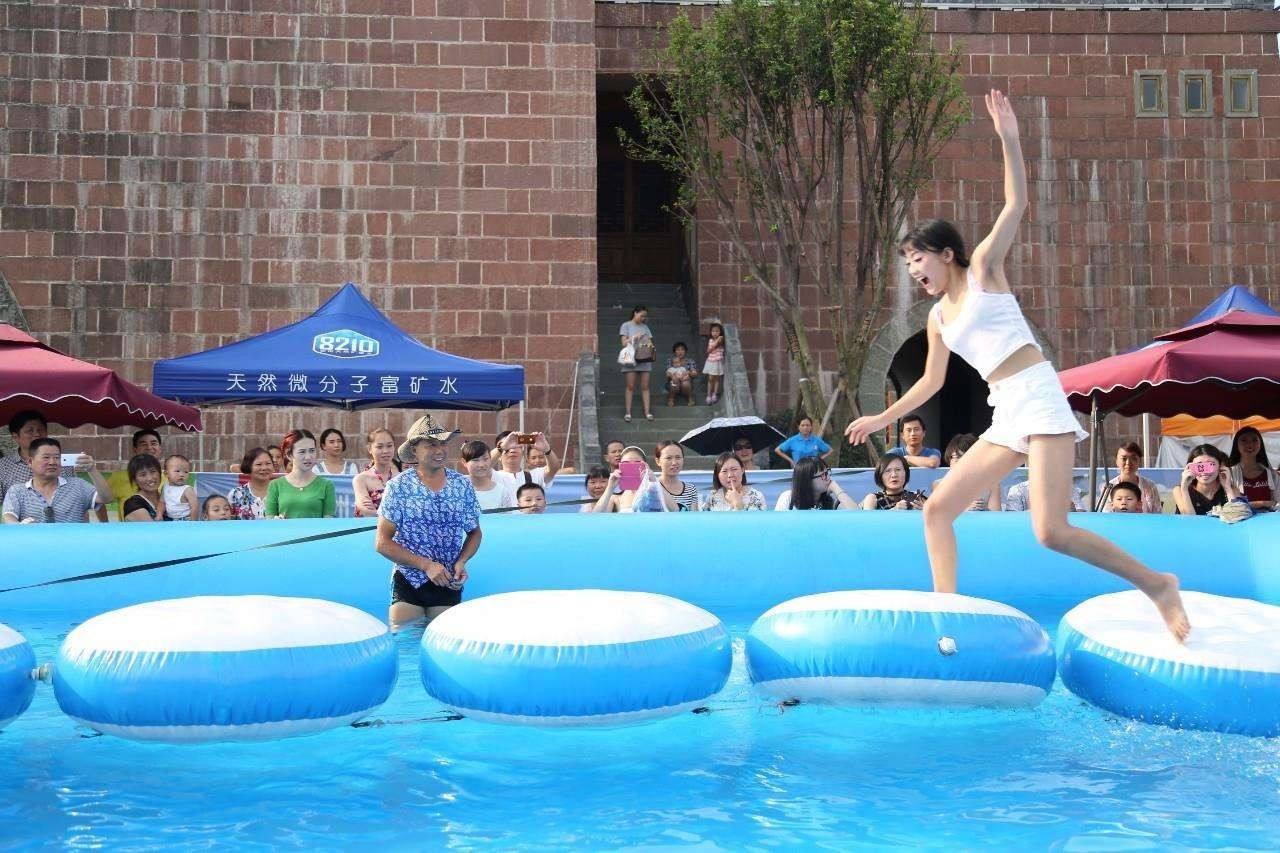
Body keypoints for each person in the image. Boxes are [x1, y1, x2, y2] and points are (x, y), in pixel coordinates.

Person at [843, 90, 1189, 641]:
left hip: (1037, 394)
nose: (913, 270)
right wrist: (881, 419)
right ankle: (948, 614)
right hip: (1004, 409)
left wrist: (1009, 139)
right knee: (937, 510)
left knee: (1050, 531)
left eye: (918, 258)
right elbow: (931, 381)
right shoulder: (937, 317)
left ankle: (1157, 585)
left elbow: (1016, 205)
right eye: (907, 264)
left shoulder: (983, 270)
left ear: (946, 253)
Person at [375, 414, 481, 630]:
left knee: (444, 640)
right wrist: (426, 565)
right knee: (405, 641)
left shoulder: (462, 485)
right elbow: (382, 543)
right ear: (414, 450)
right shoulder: (398, 487)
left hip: (447, 580)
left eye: (443, 444)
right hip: (409, 580)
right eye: (431, 445)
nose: (439, 450)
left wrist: (462, 561)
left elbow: (474, 532)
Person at [2, 437, 110, 523]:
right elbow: (9, 516)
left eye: (57, 457)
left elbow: (106, 498)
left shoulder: (78, 485)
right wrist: (21, 527)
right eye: (46, 457)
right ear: (30, 462)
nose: (52, 462)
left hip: (73, 542)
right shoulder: (17, 491)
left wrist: (92, 470)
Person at [264, 430, 336, 519]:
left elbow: (329, 521)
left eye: (312, 451)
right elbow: (269, 519)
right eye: (302, 452)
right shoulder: (275, 485)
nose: (308, 457)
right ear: (289, 455)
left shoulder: (326, 485)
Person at [0, 410, 67, 503]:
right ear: (16, 436)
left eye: (40, 430)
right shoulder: (3, 466)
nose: (37, 434)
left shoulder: (62, 462)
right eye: (30, 431)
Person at [106, 429, 163, 519]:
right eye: (143, 444)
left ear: (160, 448)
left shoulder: (171, 477)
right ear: (135, 449)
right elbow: (99, 500)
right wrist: (104, 523)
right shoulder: (118, 477)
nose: (149, 447)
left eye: (153, 443)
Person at [1172, 444, 1238, 516]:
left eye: (1210, 465)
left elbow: (1236, 516)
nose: (1205, 472)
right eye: (1199, 466)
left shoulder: (1233, 490)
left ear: (1220, 467)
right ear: (1190, 468)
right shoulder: (1179, 490)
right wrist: (1184, 487)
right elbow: (1190, 520)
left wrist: (1228, 488)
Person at [1099, 442, 1163, 514]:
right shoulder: (1109, 488)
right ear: (1117, 461)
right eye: (1124, 458)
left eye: (1134, 458)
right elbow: (1105, 515)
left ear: (1139, 461)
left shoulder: (1150, 486)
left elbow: (1157, 514)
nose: (1128, 463)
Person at [943, 433, 1001, 511]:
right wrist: (965, 509)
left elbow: (996, 515)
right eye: (954, 457)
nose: (957, 462)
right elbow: (940, 513)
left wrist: (983, 509)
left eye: (962, 458)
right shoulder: (940, 484)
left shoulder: (992, 485)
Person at [1226, 426, 1278, 512]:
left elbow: (1277, 502)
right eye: (1244, 440)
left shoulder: (1272, 475)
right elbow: (1235, 505)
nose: (1250, 444)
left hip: (1269, 519)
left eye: (1254, 440)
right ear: (1236, 445)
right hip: (1243, 519)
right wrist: (1263, 503)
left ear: (1260, 444)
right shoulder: (1230, 474)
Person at [590, 446, 656, 513]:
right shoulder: (617, 498)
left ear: (645, 465)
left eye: (637, 463)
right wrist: (610, 488)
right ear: (620, 466)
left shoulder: (654, 491)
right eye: (626, 464)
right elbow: (596, 516)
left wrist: (653, 483)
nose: (631, 468)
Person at [775, 457, 856, 510]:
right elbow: (778, 526)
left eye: (827, 472)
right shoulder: (788, 498)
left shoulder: (831, 502)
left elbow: (857, 516)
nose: (828, 477)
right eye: (823, 475)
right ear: (807, 480)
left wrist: (836, 489)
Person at [353, 428, 401, 518]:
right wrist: (394, 515)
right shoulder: (361, 479)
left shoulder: (401, 477)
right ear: (369, 449)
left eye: (389, 446)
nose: (385, 451)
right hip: (368, 525)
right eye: (379, 447)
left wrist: (376, 511)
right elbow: (365, 510)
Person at [620, 305, 655, 422]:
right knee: (630, 386)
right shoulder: (626, 325)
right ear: (635, 313)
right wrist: (634, 337)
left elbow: (650, 342)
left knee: (645, 386)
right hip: (630, 358)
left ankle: (647, 412)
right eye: (642, 315)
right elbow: (623, 343)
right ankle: (628, 413)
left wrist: (649, 345)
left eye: (645, 316)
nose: (643, 318)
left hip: (644, 357)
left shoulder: (645, 327)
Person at [459, 440, 516, 513]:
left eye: (485, 459)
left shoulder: (502, 492)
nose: (481, 465)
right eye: (475, 460)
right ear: (464, 462)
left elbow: (506, 519)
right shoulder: (456, 487)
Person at [494, 431, 560, 489]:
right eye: (507, 448)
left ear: (523, 452)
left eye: (516, 445)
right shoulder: (493, 476)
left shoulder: (534, 476)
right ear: (499, 456)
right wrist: (501, 447)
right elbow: (487, 463)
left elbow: (554, 468)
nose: (512, 450)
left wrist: (547, 449)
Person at [861, 455, 928, 511]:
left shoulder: (918, 497)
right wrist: (893, 511)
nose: (894, 475)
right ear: (880, 475)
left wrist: (924, 511)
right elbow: (868, 521)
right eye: (888, 471)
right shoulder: (873, 499)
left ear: (906, 473)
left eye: (898, 470)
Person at [227, 447, 274, 520]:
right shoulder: (235, 494)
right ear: (248, 467)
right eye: (259, 464)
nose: (264, 468)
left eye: (268, 463)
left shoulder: (282, 492)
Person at [655, 440, 700, 511]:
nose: (674, 462)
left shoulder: (691, 489)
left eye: (678, 457)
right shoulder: (652, 488)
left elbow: (694, 516)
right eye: (668, 458)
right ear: (658, 461)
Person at [121, 453, 166, 522]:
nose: (150, 478)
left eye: (153, 471)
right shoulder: (133, 504)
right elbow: (153, 528)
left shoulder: (167, 498)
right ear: (135, 480)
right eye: (143, 475)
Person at [1004, 478, 1084, 513]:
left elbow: (1082, 514)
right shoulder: (1018, 490)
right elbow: (1012, 518)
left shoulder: (1069, 488)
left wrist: (1073, 511)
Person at [161, 454, 198, 521]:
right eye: (177, 471)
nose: (181, 475)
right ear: (166, 474)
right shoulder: (165, 487)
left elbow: (194, 507)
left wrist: (193, 523)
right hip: (169, 520)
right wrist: (159, 514)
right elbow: (162, 502)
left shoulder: (187, 490)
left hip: (185, 520)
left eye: (186, 472)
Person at [665, 342, 699, 407]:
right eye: (678, 350)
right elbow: (667, 373)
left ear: (685, 351)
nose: (680, 352)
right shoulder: (671, 360)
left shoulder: (690, 361)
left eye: (682, 349)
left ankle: (690, 398)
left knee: (685, 382)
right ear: (674, 352)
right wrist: (673, 376)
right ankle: (671, 398)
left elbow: (695, 373)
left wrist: (688, 373)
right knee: (674, 381)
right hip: (673, 384)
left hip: (687, 384)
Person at [703, 322, 725, 404]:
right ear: (711, 332)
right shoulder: (711, 340)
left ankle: (714, 394)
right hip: (711, 361)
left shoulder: (721, 339)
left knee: (717, 379)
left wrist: (718, 340)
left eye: (717, 331)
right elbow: (709, 350)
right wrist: (716, 342)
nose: (715, 333)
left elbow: (719, 344)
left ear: (720, 332)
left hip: (718, 361)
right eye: (713, 331)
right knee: (710, 379)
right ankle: (708, 395)